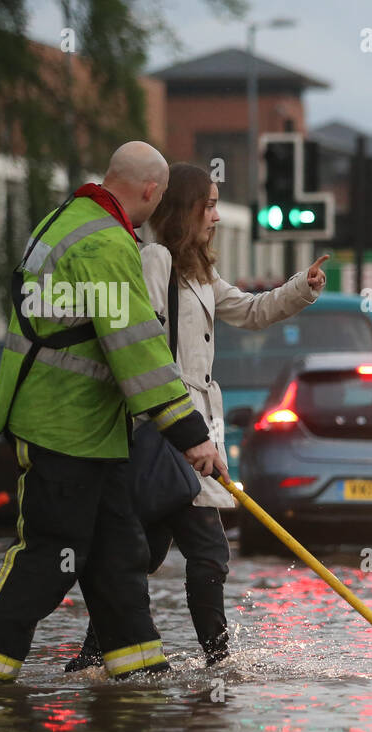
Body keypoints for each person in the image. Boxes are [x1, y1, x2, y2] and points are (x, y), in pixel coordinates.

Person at [0, 142, 227, 685]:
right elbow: (138, 352)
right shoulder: (105, 244)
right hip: (64, 427)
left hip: (90, 431)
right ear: (151, 191)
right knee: (50, 554)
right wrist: (193, 435)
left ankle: (139, 672)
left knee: (116, 553)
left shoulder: (64, 220)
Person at [65, 161, 327, 671]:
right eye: (209, 205)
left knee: (141, 557)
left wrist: (302, 287)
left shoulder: (199, 272)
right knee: (208, 552)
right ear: (184, 209)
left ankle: (94, 659)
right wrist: (174, 422)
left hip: (192, 436)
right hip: (168, 435)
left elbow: (251, 311)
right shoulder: (154, 261)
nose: (217, 217)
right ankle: (218, 662)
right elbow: (133, 347)